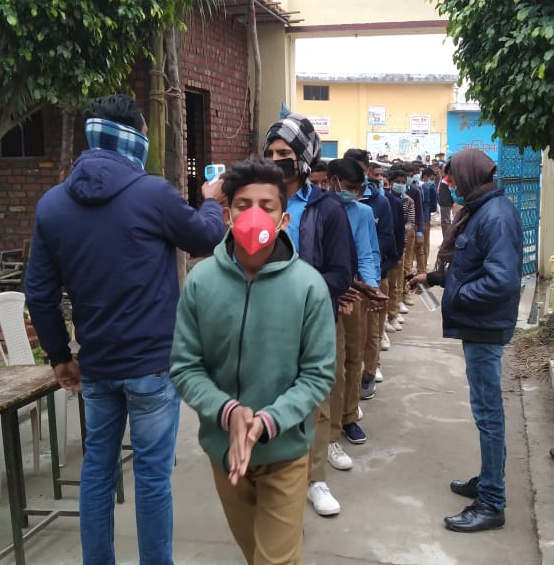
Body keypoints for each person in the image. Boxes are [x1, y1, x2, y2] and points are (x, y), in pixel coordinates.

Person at [25, 94, 225, 565]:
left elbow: (39, 293)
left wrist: (59, 356)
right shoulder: (153, 193)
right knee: (152, 476)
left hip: (95, 365)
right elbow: (205, 237)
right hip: (152, 364)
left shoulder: (52, 205)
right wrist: (210, 202)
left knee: (98, 469)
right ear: (135, 135)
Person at [170, 157, 336, 564]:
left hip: (285, 450)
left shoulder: (308, 287)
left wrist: (267, 421)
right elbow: (185, 366)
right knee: (254, 553)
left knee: (275, 560)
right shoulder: (201, 282)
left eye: (267, 205)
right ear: (227, 215)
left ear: (283, 220)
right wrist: (228, 413)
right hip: (224, 450)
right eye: (243, 205)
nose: (254, 215)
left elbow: (318, 375)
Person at [409, 148, 523, 532]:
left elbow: (501, 280)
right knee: (487, 411)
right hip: (479, 324)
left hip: (484, 327)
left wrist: (456, 296)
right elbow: (469, 266)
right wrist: (434, 278)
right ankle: (489, 479)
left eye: (453, 177)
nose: (450, 184)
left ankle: (491, 501)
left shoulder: (495, 216)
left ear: (470, 176)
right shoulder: (481, 210)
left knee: (488, 413)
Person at [263, 113, 354, 516]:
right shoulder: (258, 203)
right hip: (265, 322)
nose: (275, 160)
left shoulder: (327, 208)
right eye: (269, 153)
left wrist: (299, 290)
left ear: (302, 158)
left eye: (283, 153)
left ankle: (315, 479)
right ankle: (272, 472)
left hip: (313, 321)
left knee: (314, 402)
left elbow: (341, 272)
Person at [325, 159, 385, 471]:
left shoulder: (361, 213)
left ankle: (349, 417)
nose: (354, 194)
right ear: (333, 181)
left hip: (355, 293)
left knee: (353, 358)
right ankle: (330, 432)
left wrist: (371, 288)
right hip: (326, 294)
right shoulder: (318, 209)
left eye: (358, 189)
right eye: (349, 188)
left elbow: (368, 252)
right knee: (333, 366)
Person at [344, 149, 397, 381]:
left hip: (371, 273)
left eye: (359, 170)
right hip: (344, 278)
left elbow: (384, 240)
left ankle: (371, 370)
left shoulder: (379, 202)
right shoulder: (333, 204)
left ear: (366, 171)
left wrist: (374, 277)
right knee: (348, 337)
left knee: (370, 328)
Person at [386, 170, 414, 334]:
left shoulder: (408, 200)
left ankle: (393, 313)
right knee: (386, 282)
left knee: (396, 280)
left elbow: (410, 222)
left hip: (399, 242)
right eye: (398, 181)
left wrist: (401, 232)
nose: (401, 185)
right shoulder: (385, 198)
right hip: (386, 245)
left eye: (403, 182)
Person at [420, 167, 438, 272]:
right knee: (425, 243)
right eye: (431, 178)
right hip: (425, 217)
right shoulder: (429, 187)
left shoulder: (419, 186)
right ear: (425, 176)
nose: (432, 181)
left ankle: (422, 265)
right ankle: (423, 265)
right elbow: (434, 205)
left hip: (421, 218)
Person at [438, 166, 455, 238]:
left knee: (446, 222)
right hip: (446, 202)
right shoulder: (445, 179)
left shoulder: (447, 179)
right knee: (446, 222)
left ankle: (447, 239)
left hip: (446, 203)